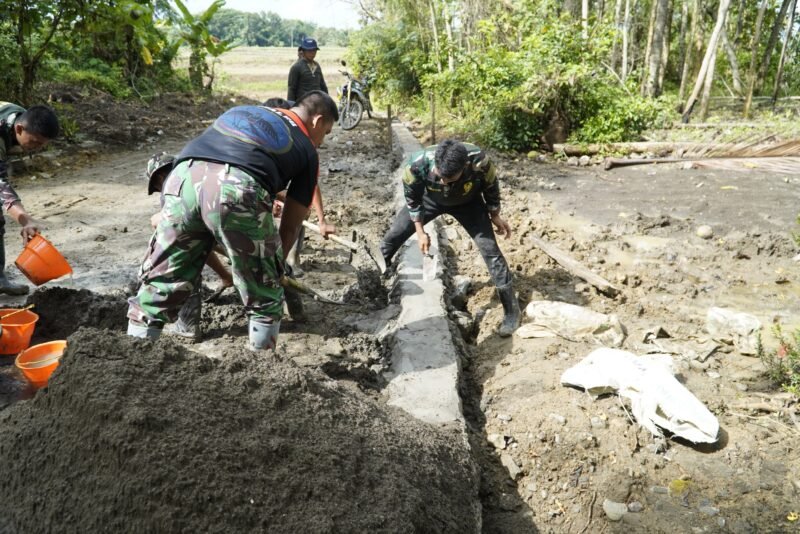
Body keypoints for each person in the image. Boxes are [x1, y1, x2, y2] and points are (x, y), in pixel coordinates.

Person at [127, 91, 339, 351]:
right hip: (236, 187)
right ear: (317, 121)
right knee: (264, 295)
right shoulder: (306, 149)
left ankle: (132, 358)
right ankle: (260, 373)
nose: (322, 141)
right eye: (326, 133)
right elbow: (293, 221)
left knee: (160, 285)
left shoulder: (242, 111)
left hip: (181, 177)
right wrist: (275, 266)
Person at [379, 139, 521, 337]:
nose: (445, 182)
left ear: (465, 166)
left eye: (451, 179)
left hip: (469, 203)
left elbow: (491, 186)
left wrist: (494, 214)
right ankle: (374, 279)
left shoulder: (480, 161)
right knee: (393, 236)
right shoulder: (416, 165)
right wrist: (420, 232)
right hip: (431, 200)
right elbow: (412, 200)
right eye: (441, 176)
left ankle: (511, 311)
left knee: (490, 250)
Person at [143, 152, 234, 341]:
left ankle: (187, 324)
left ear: (160, 178)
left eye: (158, 187)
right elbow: (202, 243)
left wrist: (159, 219)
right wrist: (225, 275)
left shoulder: (173, 187)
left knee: (179, 255)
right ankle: (294, 307)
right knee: (263, 257)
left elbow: (191, 245)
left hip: (217, 224)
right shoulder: (202, 172)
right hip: (235, 217)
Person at [0, 102, 59, 295]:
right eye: (34, 142)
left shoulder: (21, 117)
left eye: (42, 145)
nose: (36, 148)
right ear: (19, 129)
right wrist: (24, 219)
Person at [287, 38, 328, 103]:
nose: (312, 53)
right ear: (303, 51)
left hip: (317, 103)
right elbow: (292, 89)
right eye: (309, 51)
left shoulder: (317, 65)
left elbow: (323, 86)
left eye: (314, 50)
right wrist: (291, 105)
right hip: (302, 105)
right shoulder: (296, 67)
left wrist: (327, 101)